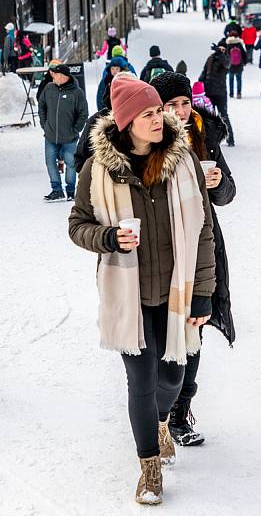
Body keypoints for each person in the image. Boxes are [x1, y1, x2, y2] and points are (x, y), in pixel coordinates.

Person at [68, 75, 215, 505]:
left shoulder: (182, 158)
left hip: (175, 292)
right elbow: (78, 225)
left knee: (173, 377)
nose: (160, 118)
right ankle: (149, 468)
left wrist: (203, 292)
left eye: (159, 111)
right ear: (128, 121)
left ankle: (163, 423)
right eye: (149, 113)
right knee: (142, 382)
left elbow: (202, 232)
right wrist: (110, 237)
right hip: (129, 297)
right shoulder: (98, 169)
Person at [150, 73, 235, 446]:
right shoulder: (146, 139)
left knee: (193, 330)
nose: (181, 112)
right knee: (156, 335)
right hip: (161, 249)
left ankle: (180, 415)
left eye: (185, 103)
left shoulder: (205, 135)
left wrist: (218, 185)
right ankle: (155, 413)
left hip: (201, 246)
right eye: (171, 105)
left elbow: (228, 193)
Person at [38, 63, 88, 202]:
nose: (52, 76)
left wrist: (75, 130)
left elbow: (83, 113)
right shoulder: (49, 88)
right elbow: (41, 106)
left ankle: (71, 191)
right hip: (50, 135)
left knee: (71, 164)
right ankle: (57, 190)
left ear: (63, 76)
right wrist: (44, 124)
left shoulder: (77, 92)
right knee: (50, 162)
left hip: (69, 138)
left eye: (55, 74)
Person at [199, 44, 234, 146]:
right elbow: (204, 72)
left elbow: (227, 64)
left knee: (224, 116)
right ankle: (211, 139)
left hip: (221, 93)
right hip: (209, 92)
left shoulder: (226, 58)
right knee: (209, 117)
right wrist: (200, 83)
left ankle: (230, 139)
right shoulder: (211, 58)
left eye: (222, 49)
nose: (220, 50)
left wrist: (220, 53)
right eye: (219, 48)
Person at [226, 31, 247, 99]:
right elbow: (244, 54)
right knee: (239, 79)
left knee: (231, 79)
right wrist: (245, 62)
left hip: (231, 65)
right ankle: (239, 93)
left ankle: (231, 93)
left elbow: (226, 55)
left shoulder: (229, 45)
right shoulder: (239, 44)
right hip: (239, 64)